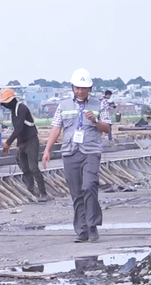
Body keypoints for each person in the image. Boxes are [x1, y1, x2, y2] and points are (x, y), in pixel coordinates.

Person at [42, 68, 111, 243]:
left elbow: (107, 128)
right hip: (70, 152)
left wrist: (95, 121)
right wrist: (47, 150)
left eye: (83, 88)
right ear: (72, 87)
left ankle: (92, 225)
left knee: (89, 186)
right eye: (77, 87)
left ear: (90, 88)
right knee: (76, 192)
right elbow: (56, 128)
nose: (80, 91)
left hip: (91, 151)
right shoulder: (63, 105)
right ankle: (82, 230)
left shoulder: (100, 104)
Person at [0, 88, 49, 201]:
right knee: (25, 168)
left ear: (12, 101)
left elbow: (19, 128)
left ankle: (43, 193)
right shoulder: (13, 110)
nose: (5, 106)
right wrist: (18, 144)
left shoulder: (22, 108)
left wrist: (8, 143)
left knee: (33, 167)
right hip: (22, 142)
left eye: (5, 103)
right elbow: (18, 130)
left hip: (31, 141)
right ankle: (31, 190)